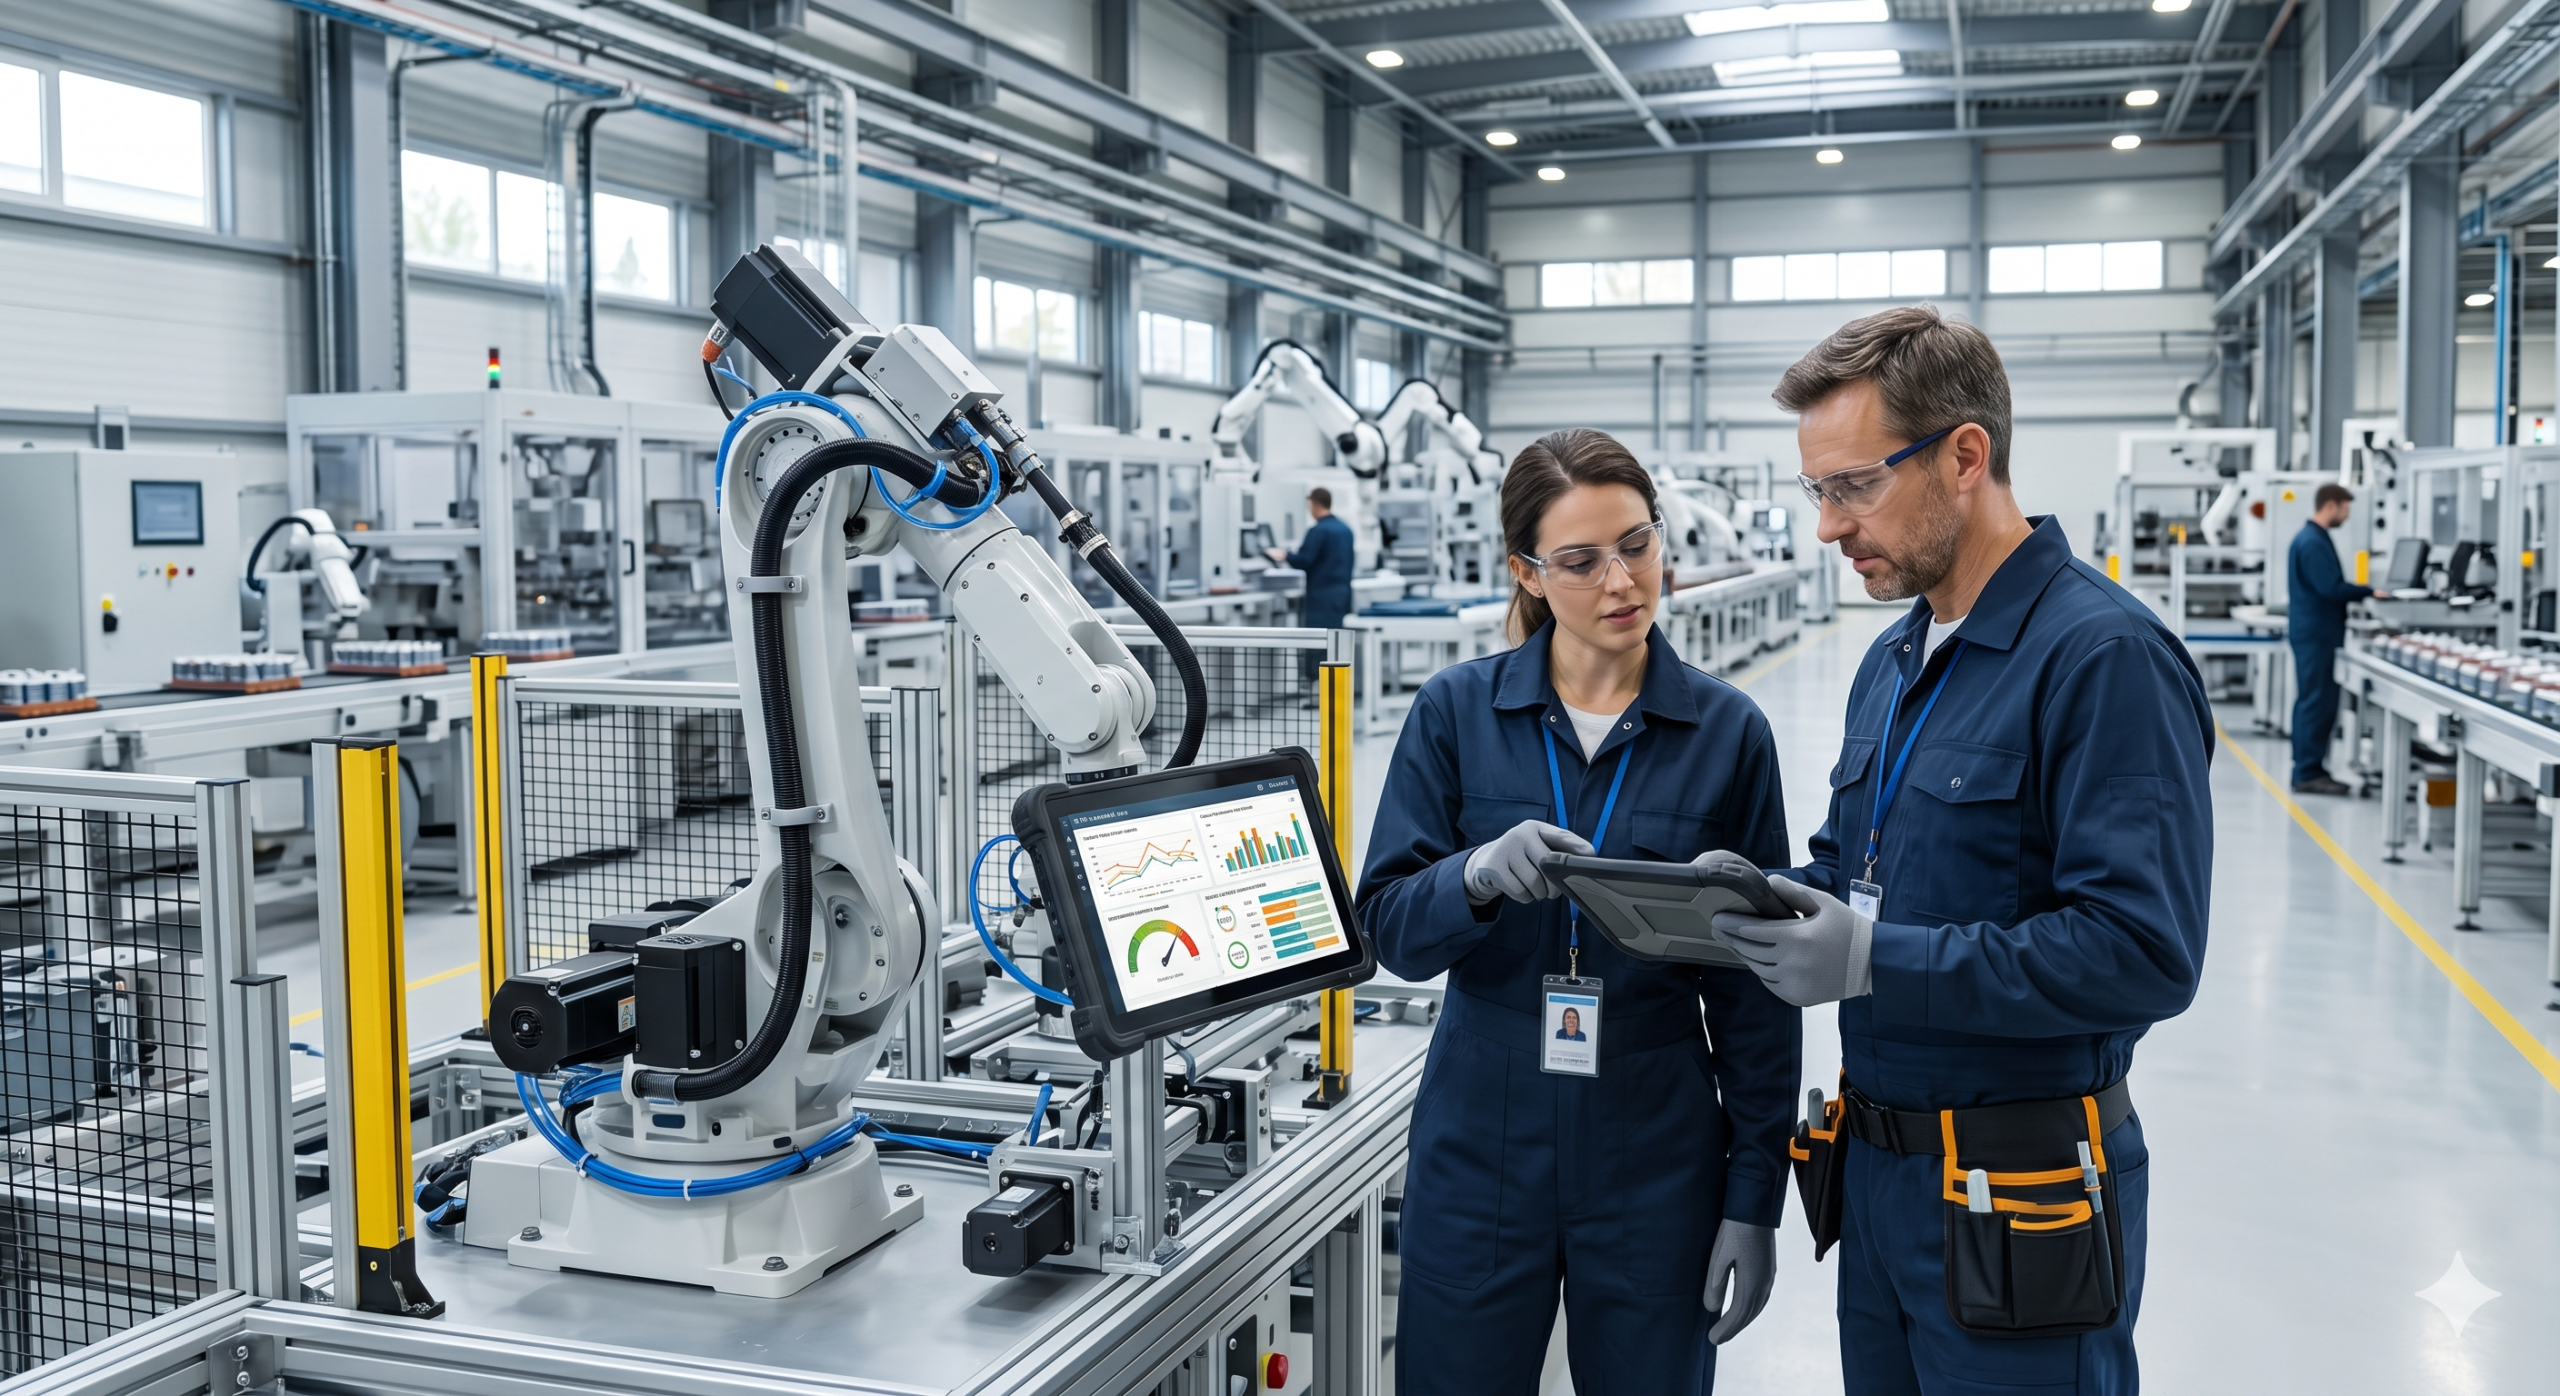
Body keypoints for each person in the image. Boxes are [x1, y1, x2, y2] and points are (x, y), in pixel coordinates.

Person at [1704, 306, 2212, 1395]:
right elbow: (1855, 870)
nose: (1829, 528)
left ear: (1964, 456)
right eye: (1818, 492)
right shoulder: (1893, 662)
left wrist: (1873, 959)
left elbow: (2142, 951)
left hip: (2022, 1193)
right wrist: (1764, 899)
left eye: (1853, 486)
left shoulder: (2101, 659)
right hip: (1877, 1181)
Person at [1359, 428, 1799, 1394]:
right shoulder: (1456, 715)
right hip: (1486, 1121)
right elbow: (1389, 925)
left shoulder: (1728, 733)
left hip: (1656, 1133)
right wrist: (1470, 876)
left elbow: (1758, 992)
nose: (1621, 582)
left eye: (1637, 543)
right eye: (1580, 560)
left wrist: (1755, 1194)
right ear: (1526, 572)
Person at [2287, 484, 2383, 795]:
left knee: (2311, 701)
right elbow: (2330, 588)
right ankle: (2308, 771)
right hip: (2317, 635)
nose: (2347, 515)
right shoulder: (2313, 542)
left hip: (2314, 632)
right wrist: (2369, 591)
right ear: (2331, 506)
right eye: (2345, 508)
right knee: (2317, 703)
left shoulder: (2310, 538)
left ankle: (2307, 767)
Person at [1267, 486, 1356, 633]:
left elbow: (1304, 560)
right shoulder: (1346, 530)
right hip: (1342, 594)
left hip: (1321, 598)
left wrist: (1284, 555)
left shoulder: (1318, 531)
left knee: (1318, 642)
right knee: (1336, 641)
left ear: (1315, 504)